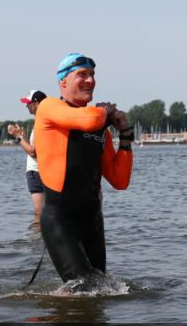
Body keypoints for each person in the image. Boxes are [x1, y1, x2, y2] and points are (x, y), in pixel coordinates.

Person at [33, 53, 133, 287]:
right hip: (60, 221)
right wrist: (107, 111)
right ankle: (54, 322)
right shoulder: (49, 107)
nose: (90, 80)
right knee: (85, 289)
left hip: (93, 222)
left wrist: (126, 135)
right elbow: (89, 119)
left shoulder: (100, 128)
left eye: (92, 75)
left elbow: (120, 180)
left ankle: (61, 314)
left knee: (100, 292)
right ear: (63, 82)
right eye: (82, 74)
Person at [7, 90, 47, 224]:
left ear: (36, 103)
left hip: (36, 172)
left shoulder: (41, 122)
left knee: (39, 212)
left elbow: (32, 152)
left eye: (28, 103)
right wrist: (23, 138)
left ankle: (37, 240)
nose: (27, 106)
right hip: (43, 171)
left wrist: (17, 137)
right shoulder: (44, 120)